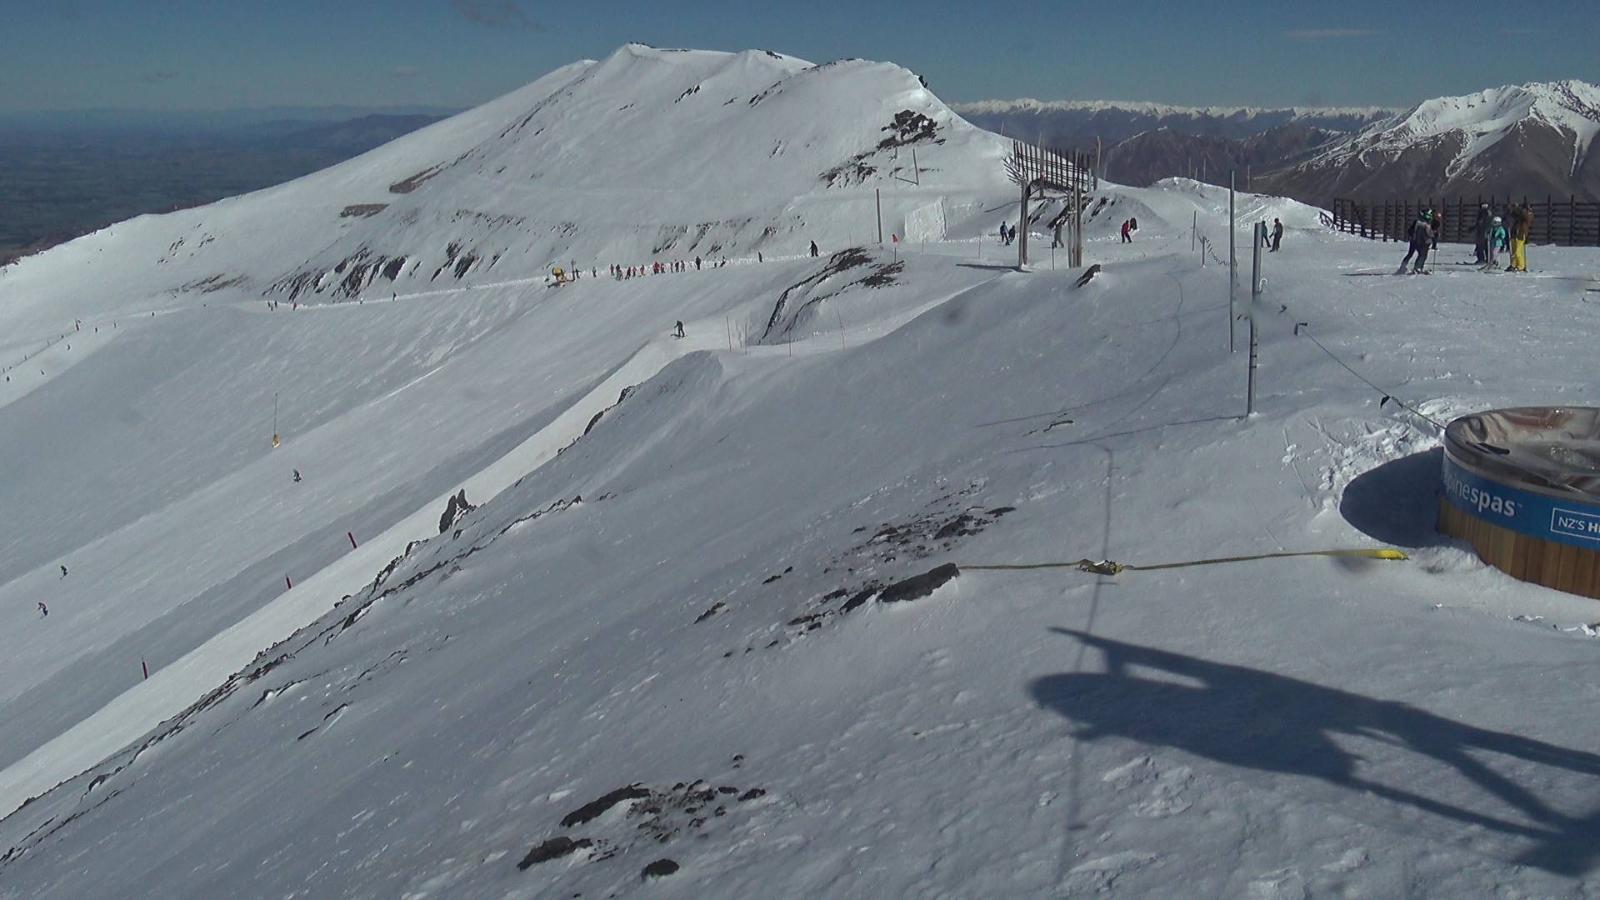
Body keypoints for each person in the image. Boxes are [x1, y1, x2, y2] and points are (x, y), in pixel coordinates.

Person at [1509, 202, 1533, 272]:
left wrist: (1517, 209)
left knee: (1518, 251)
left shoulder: (1528, 214)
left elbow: (1525, 217)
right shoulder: (1520, 216)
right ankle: (1514, 264)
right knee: (1515, 251)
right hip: (1516, 233)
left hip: (1521, 234)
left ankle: (1521, 266)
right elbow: (1515, 215)